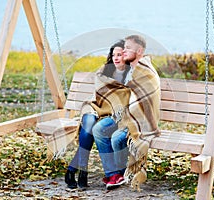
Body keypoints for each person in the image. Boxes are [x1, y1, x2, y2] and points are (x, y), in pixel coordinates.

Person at [93, 35, 161, 190]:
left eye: (128, 48)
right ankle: (114, 175)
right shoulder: (127, 69)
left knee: (117, 138)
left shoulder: (145, 71)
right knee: (98, 129)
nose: (124, 52)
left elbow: (146, 99)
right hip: (122, 116)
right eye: (124, 49)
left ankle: (124, 172)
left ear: (139, 51)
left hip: (140, 122)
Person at [64, 40, 131, 189]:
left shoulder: (130, 75)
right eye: (113, 55)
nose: (116, 58)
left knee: (94, 130)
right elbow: (99, 94)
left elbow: (123, 101)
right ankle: (82, 169)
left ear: (126, 56)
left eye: (119, 55)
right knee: (88, 129)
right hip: (94, 107)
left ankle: (73, 169)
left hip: (112, 115)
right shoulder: (104, 72)